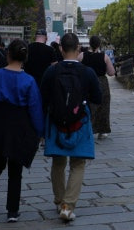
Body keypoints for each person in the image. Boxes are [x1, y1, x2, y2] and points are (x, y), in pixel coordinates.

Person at [0, 38, 44, 223]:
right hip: (19, 124)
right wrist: (39, 131)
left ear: (8, 55)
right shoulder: (29, 80)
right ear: (25, 58)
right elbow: (35, 108)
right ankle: (12, 211)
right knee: (15, 167)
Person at [41, 32, 102, 223]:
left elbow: (43, 97)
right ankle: (68, 207)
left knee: (58, 163)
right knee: (78, 164)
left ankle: (59, 201)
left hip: (56, 122)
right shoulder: (87, 72)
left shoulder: (52, 71)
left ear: (61, 49)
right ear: (78, 49)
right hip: (79, 122)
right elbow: (98, 97)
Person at [81, 35, 115, 140]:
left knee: (87, 106)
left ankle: (86, 129)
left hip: (86, 82)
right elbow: (111, 72)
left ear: (89, 44)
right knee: (103, 106)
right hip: (101, 82)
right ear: (99, 44)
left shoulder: (82, 55)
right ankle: (102, 131)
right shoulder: (104, 57)